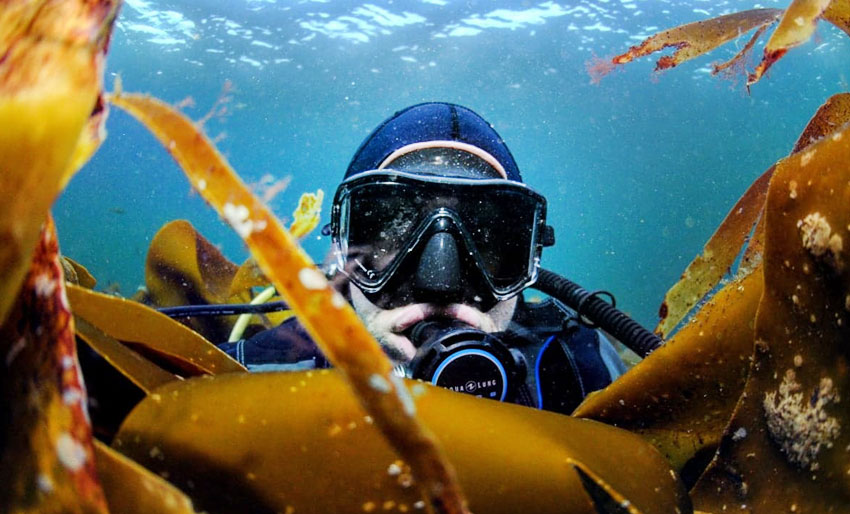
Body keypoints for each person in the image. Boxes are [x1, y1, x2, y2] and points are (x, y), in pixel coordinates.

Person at [219, 103, 626, 414]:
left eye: (486, 241)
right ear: (340, 250)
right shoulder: (250, 380)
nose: (441, 284)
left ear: (529, 259)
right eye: (390, 234)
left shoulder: (584, 376)